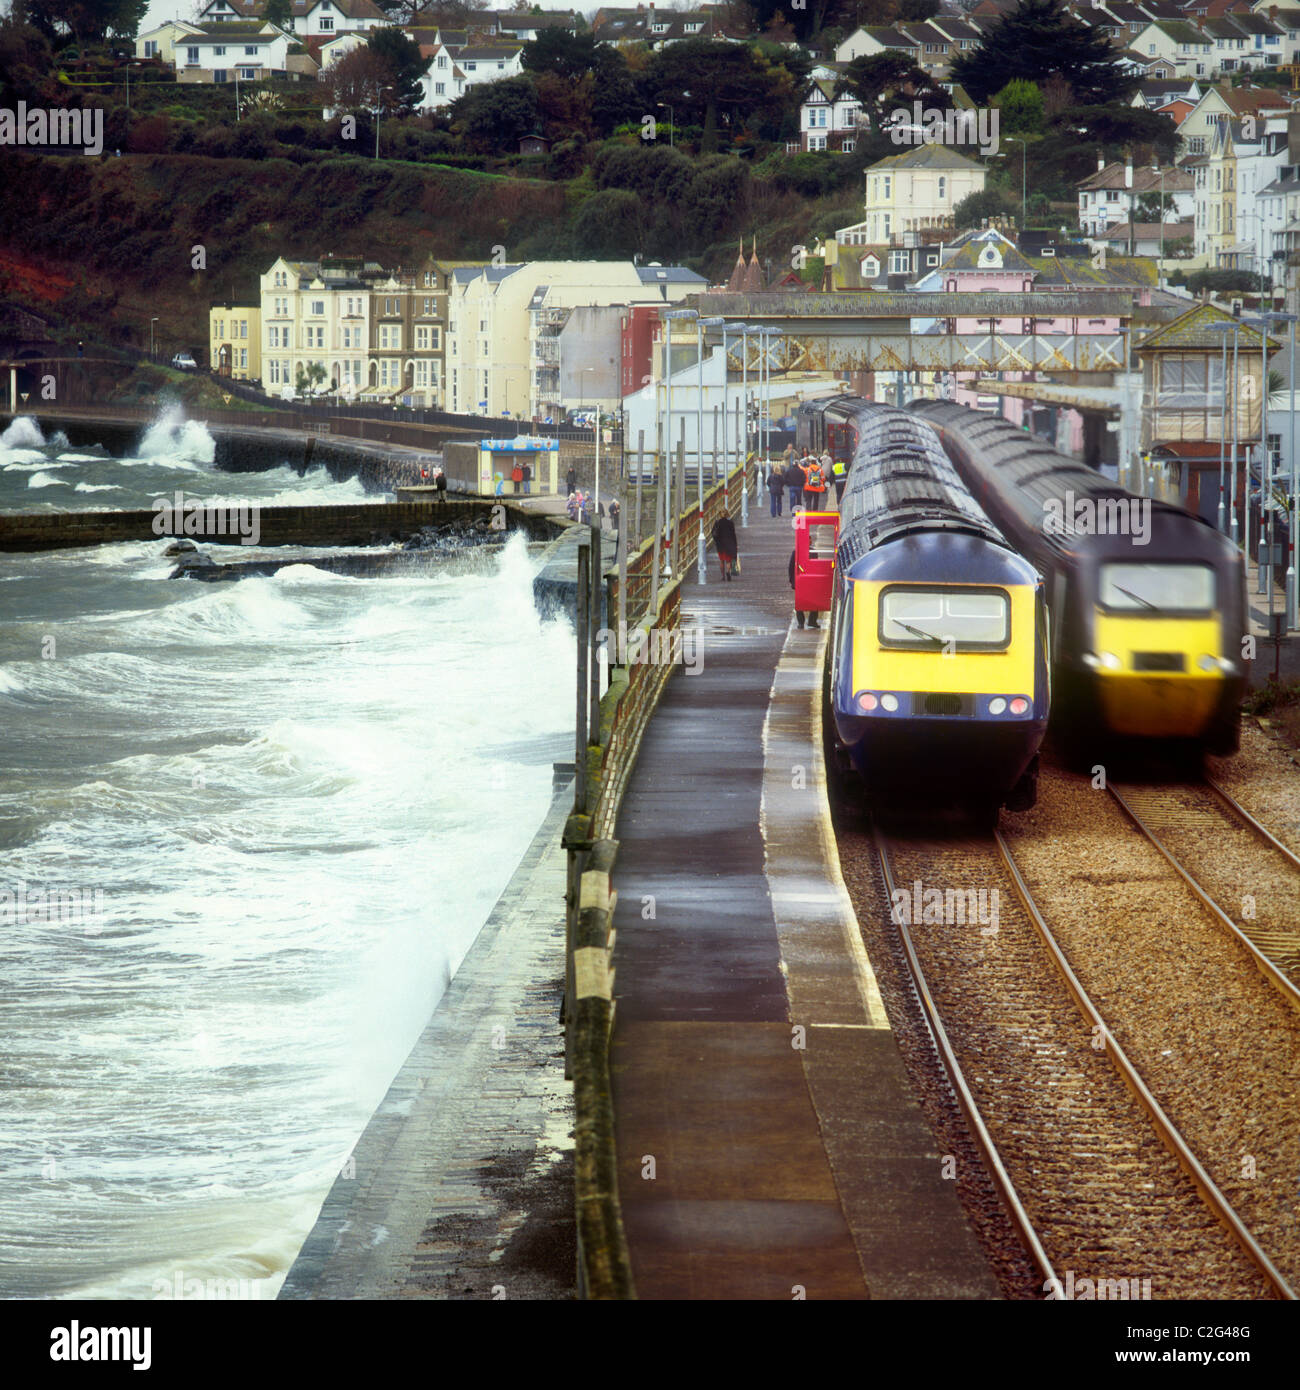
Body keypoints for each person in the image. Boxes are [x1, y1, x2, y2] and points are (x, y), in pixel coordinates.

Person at [790, 548, 819, 629]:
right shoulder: (812, 552)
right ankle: (806, 622)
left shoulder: (812, 551)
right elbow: (791, 566)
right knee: (801, 602)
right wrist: (792, 581)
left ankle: (808, 622)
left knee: (811, 601)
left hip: (807, 580)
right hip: (802, 580)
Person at [712, 514, 738, 581]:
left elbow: (713, 533)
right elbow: (733, 534)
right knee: (728, 561)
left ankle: (723, 576)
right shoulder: (730, 522)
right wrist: (735, 544)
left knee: (721, 561)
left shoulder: (717, 523)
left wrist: (716, 541)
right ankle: (728, 572)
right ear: (727, 514)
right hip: (729, 544)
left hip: (720, 545)